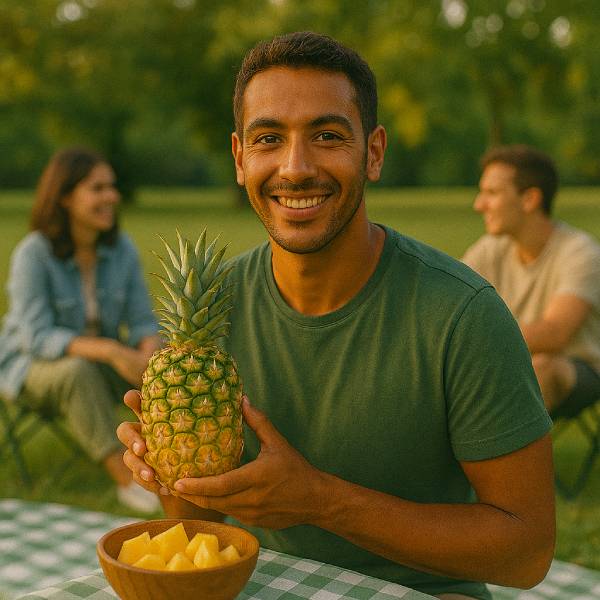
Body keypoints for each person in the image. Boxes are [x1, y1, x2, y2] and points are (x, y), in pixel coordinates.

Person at [117, 33, 555, 599]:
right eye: (269, 138)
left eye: (327, 136)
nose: (295, 168)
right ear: (239, 158)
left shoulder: (462, 314)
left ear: (373, 152)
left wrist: (318, 499)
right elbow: (204, 519)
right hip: (266, 585)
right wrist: (166, 469)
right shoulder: (213, 314)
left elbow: (527, 554)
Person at [0, 146, 161, 513]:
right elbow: (36, 337)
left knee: (168, 355)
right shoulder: (33, 253)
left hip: (98, 364)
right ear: (66, 197)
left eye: (112, 187)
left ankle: (177, 459)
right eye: (98, 188)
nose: (112, 197)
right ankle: (126, 479)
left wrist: (147, 350)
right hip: (28, 368)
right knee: (77, 371)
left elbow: (142, 319)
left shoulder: (121, 249)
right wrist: (112, 350)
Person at [463, 144, 600, 418]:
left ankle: (502, 455)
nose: (479, 205)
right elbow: (450, 306)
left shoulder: (580, 252)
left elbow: (554, 334)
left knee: (542, 367)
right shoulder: (490, 249)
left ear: (530, 199)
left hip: (578, 368)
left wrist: (474, 342)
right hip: (509, 360)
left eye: (492, 193)